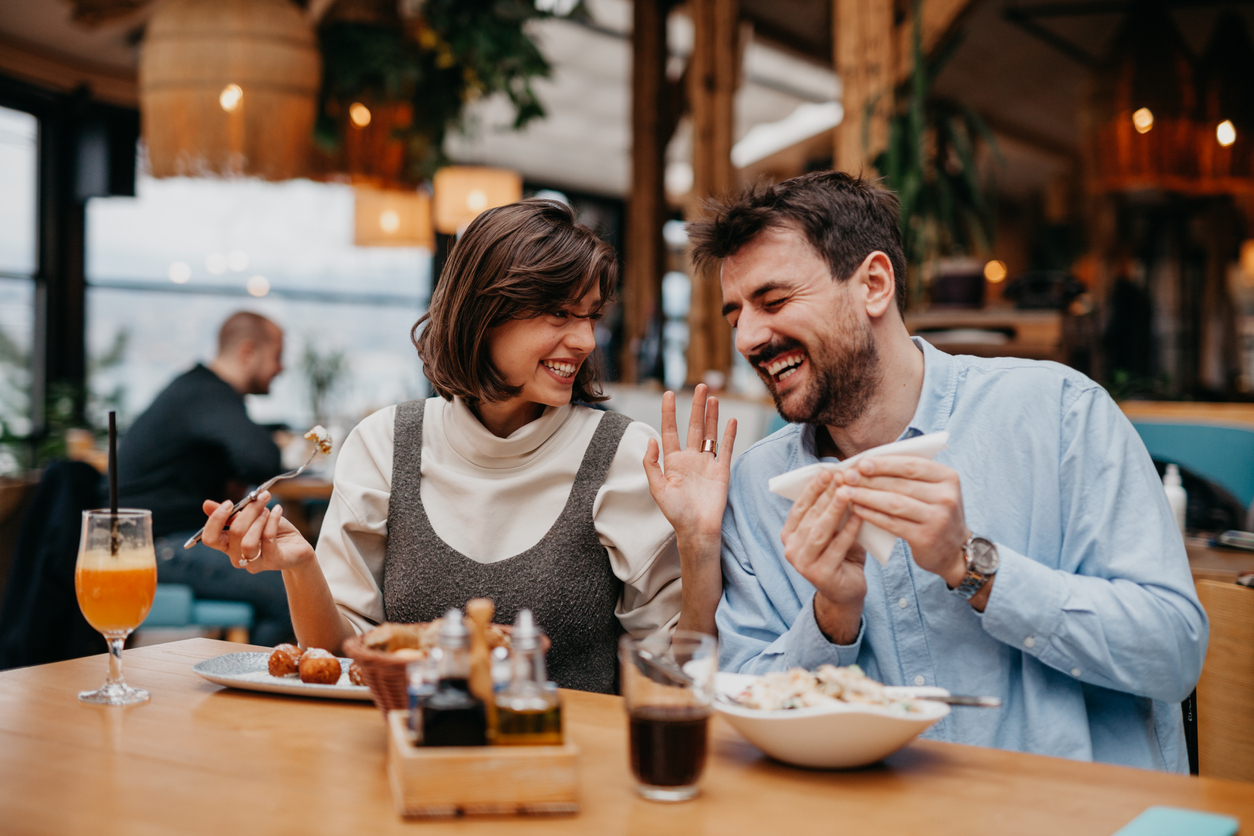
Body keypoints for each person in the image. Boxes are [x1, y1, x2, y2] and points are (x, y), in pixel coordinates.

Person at [668, 170, 1207, 772]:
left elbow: (1174, 650)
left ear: (873, 284)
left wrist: (973, 566)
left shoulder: (1058, 413)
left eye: (773, 301)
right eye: (734, 314)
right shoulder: (753, 486)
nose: (747, 337)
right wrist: (831, 618)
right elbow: (741, 698)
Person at [198, 199, 733, 693]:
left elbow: (673, 668)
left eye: (590, 315)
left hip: (568, 762)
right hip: (408, 754)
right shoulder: (385, 443)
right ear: (484, 313)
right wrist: (300, 566)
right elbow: (340, 657)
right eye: (560, 315)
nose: (587, 340)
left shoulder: (623, 454)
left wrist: (699, 544)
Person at [118, 311, 295, 646]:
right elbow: (263, 459)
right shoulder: (207, 393)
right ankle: (259, 691)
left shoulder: (196, 391)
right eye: (277, 356)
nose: (281, 368)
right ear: (247, 352)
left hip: (161, 539)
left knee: (288, 577)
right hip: (156, 546)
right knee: (290, 594)